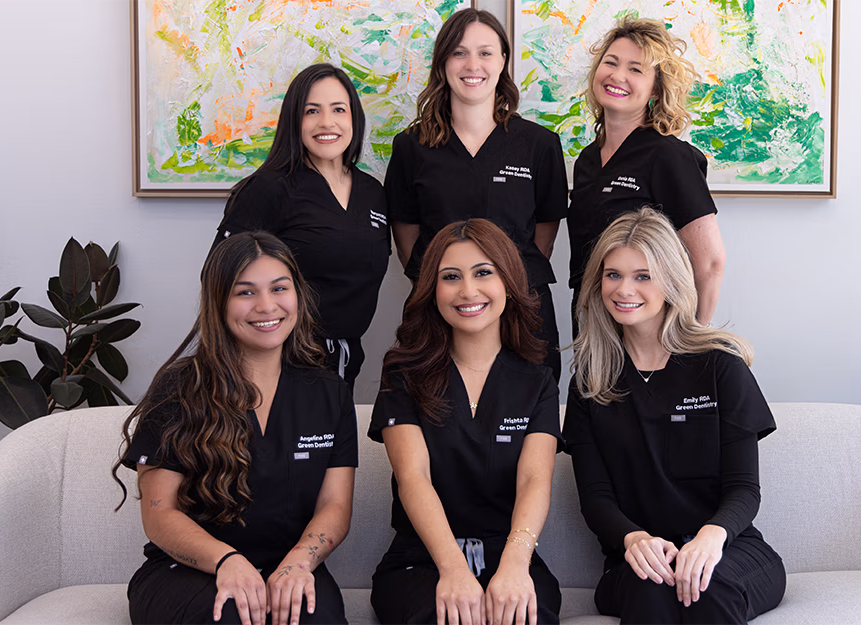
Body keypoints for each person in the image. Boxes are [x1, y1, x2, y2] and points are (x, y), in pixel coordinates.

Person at [113, 232, 357, 625]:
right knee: (232, 616)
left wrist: (298, 563)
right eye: (245, 293)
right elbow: (160, 514)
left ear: (298, 295)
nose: (266, 306)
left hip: (290, 566)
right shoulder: (178, 388)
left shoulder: (330, 393)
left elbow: (335, 506)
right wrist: (226, 560)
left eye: (280, 288)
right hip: (193, 571)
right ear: (218, 303)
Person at [563, 207, 784, 624]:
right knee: (652, 590)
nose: (624, 289)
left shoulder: (720, 366)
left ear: (671, 280)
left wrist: (709, 539)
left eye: (643, 275)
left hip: (729, 550)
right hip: (638, 559)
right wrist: (633, 539)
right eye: (613, 274)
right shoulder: (590, 381)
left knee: (705, 585)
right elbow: (596, 499)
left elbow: (743, 489)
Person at [368, 219, 562, 625]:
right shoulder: (402, 373)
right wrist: (453, 569)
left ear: (508, 282)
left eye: (483, 273)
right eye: (450, 277)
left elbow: (534, 480)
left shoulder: (538, 379)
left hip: (508, 554)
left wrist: (515, 562)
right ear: (432, 290)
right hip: (422, 559)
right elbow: (413, 477)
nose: (467, 291)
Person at [385, 8, 568, 381]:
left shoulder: (539, 144)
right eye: (459, 52)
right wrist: (445, 284)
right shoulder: (411, 146)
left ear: (503, 60)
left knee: (528, 415)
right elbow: (406, 235)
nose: (473, 64)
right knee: (435, 410)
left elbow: (544, 234)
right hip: (442, 306)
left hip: (524, 306)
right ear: (443, 63)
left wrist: (506, 282)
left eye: (485, 52)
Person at [212, 63, 390, 390]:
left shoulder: (373, 193)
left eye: (339, 109)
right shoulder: (268, 189)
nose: (327, 122)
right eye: (312, 111)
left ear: (355, 118)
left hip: (345, 363)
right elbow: (219, 277)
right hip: (277, 365)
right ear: (295, 120)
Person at [567, 17, 725, 329]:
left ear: (655, 89)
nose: (617, 75)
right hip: (592, 328)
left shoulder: (669, 157)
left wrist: (693, 343)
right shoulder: (586, 160)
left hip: (649, 331)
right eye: (610, 62)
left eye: (635, 69)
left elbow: (710, 264)